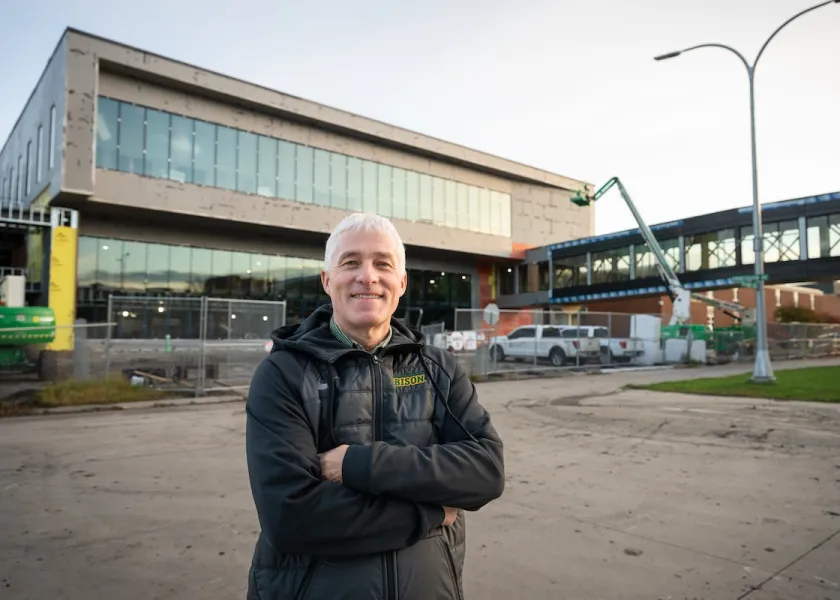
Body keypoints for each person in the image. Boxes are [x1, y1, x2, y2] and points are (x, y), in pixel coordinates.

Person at [245, 212, 505, 600]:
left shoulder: (439, 369)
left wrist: (356, 463)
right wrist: (430, 511)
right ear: (327, 280)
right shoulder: (283, 373)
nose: (367, 276)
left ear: (401, 282)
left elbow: (485, 472)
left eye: (383, 263)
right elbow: (291, 517)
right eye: (350, 262)